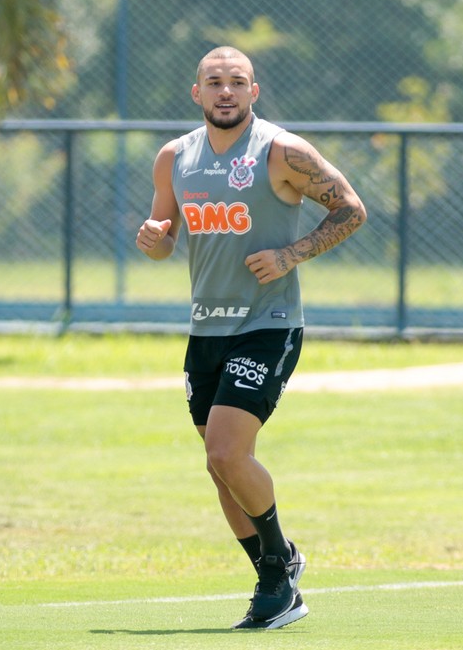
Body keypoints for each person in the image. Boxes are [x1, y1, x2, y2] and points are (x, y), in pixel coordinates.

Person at [135, 47, 366, 630]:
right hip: (205, 329)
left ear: (254, 92)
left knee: (225, 451)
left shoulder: (283, 151)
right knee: (221, 468)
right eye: (214, 82)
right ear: (197, 93)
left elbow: (352, 209)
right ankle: (275, 565)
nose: (226, 91)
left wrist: (291, 254)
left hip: (268, 324)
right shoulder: (174, 157)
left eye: (237, 82)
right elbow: (165, 239)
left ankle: (277, 576)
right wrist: (154, 237)